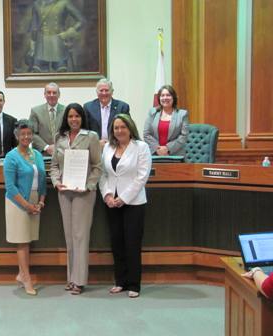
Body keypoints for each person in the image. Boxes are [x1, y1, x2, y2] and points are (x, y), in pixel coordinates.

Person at [50, 103, 102, 295]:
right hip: (64, 192)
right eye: (71, 116)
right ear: (66, 118)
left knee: (81, 236)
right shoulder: (60, 138)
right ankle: (71, 278)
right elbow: (54, 166)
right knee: (69, 236)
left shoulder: (91, 137)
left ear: (82, 118)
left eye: (77, 116)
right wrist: (56, 182)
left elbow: (98, 166)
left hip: (84, 193)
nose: (74, 119)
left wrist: (88, 185)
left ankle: (79, 281)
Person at [99, 114, 151, 298]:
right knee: (117, 243)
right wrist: (107, 195)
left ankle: (134, 284)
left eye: (123, 127)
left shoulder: (141, 147)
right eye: (116, 128)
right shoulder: (108, 147)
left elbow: (142, 176)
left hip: (133, 203)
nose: (119, 131)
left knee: (132, 243)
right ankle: (120, 281)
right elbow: (103, 174)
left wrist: (124, 197)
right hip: (111, 203)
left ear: (130, 128)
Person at [3, 120, 47, 296]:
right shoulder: (11, 157)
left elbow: (43, 179)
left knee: (28, 240)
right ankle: (27, 278)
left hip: (35, 200)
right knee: (22, 241)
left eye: (29, 134)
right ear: (17, 136)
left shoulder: (36, 154)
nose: (26, 137)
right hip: (17, 203)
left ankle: (21, 274)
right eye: (23, 134)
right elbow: (10, 187)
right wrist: (27, 205)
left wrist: (41, 200)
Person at [29, 0, 84, 72]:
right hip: (40, 46)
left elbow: (81, 21)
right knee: (38, 75)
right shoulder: (37, 4)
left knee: (61, 75)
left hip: (58, 44)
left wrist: (68, 33)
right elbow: (34, 27)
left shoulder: (64, 3)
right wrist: (32, 45)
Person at [143, 85, 189, 156]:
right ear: (159, 98)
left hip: (175, 155)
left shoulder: (182, 114)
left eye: (168, 95)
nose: (165, 98)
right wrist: (157, 149)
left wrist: (167, 148)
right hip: (155, 154)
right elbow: (146, 134)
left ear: (173, 97)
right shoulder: (152, 112)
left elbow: (184, 136)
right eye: (162, 95)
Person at [84, 78, 130, 146]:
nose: (104, 93)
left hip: (117, 145)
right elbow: (85, 130)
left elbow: (127, 129)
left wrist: (111, 143)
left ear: (112, 91)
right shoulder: (88, 107)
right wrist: (97, 143)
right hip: (95, 146)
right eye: (101, 90)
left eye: (106, 90)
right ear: (97, 92)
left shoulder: (122, 107)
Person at [29, 82, 65, 155]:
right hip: (42, 154)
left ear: (59, 95)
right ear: (44, 94)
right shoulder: (35, 111)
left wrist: (58, 147)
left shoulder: (66, 111)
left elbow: (69, 132)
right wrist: (46, 147)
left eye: (54, 93)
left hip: (62, 152)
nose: (51, 95)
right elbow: (32, 133)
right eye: (49, 92)